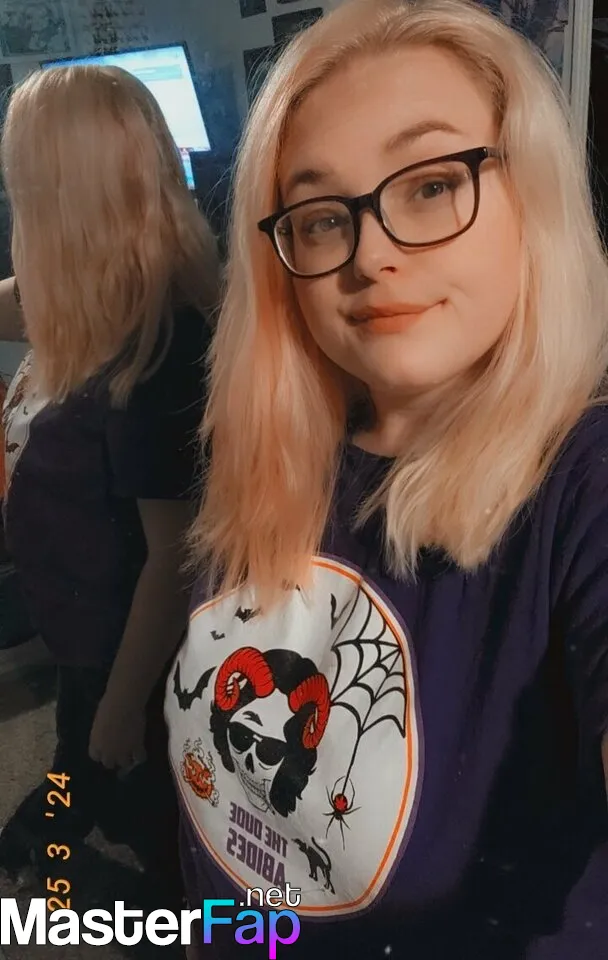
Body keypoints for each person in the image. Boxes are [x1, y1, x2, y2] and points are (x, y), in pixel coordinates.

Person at [164, 0, 608, 956]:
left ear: (532, 197)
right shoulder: (275, 454)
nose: (370, 254)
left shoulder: (582, 482)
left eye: (432, 185)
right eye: (325, 217)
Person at [0, 64, 219, 907]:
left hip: (131, 652)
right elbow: (18, 301)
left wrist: (125, 703)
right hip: (81, 634)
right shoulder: (84, 296)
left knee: (147, 806)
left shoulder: (158, 352)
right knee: (74, 748)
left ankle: (187, 918)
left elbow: (173, 557)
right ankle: (48, 832)